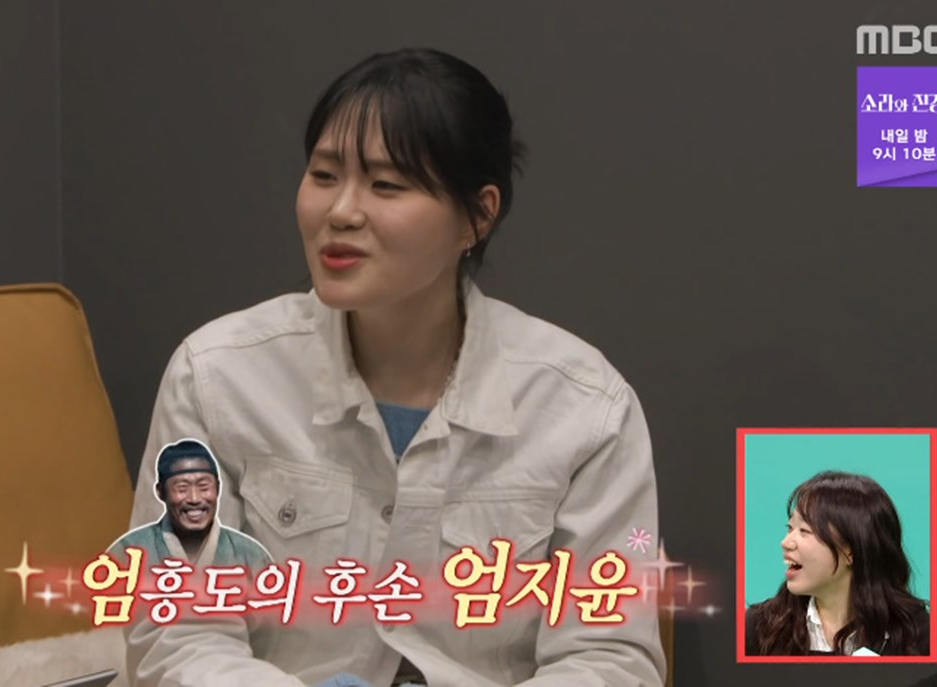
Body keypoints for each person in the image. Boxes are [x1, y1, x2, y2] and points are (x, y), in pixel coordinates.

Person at [127, 47, 664, 686]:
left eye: (386, 185)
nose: (341, 212)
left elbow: (607, 658)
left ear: (478, 215)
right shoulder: (218, 377)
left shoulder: (584, 407)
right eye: (324, 175)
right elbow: (175, 636)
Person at [745, 470, 931, 656]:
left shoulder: (915, 632)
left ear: (851, 550)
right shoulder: (760, 628)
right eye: (790, 528)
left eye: (804, 531)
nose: (786, 543)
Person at [110, 439, 272, 569]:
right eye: (182, 488)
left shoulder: (250, 554)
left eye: (204, 487)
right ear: (160, 492)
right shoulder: (128, 551)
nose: (194, 498)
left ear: (218, 488)